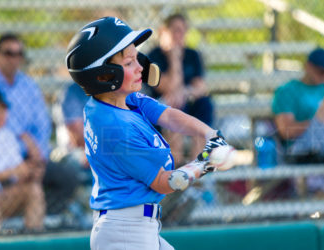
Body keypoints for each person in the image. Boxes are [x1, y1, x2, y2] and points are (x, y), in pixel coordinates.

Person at [66, 16, 232, 250]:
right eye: (129, 62)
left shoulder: (123, 100)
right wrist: (206, 163)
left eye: (138, 59)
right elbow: (166, 182)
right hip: (125, 232)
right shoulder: (116, 126)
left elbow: (168, 115)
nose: (140, 68)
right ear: (104, 76)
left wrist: (210, 134)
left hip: (134, 227)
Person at [0, 33, 79, 215]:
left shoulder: (29, 85)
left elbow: (42, 125)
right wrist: (21, 137)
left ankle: (40, 220)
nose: (14, 59)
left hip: (30, 155)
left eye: (19, 54)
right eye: (8, 53)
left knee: (67, 177)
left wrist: (37, 157)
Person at [272, 47, 324, 194]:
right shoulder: (288, 90)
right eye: (321, 71)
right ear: (308, 67)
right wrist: (320, 119)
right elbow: (286, 130)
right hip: (306, 144)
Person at [148, 13, 214, 165]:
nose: (181, 35)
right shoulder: (153, 56)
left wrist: (184, 92)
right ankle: (174, 166)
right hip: (161, 107)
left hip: (186, 102)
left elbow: (201, 88)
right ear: (163, 32)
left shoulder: (192, 54)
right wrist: (175, 59)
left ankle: (197, 168)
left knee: (204, 104)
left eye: (184, 31)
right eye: (176, 30)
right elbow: (167, 87)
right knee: (173, 106)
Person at [0, 90, 45, 235]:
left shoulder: (7, 136)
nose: (0, 114)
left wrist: (30, 171)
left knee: (33, 189)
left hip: (0, 198)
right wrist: (10, 172)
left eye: (3, 109)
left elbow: (17, 174)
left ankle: (33, 237)